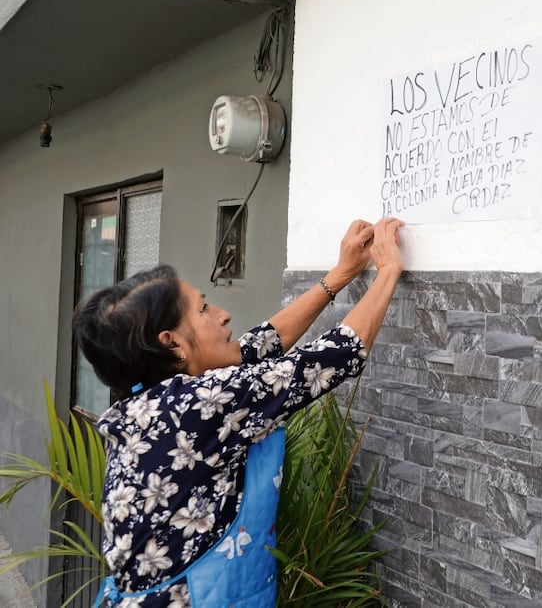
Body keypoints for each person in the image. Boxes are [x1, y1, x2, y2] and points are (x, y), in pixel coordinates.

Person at [73, 217, 405, 607]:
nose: (223, 314)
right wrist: (388, 270)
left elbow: (259, 346)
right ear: (173, 344)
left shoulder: (150, 405)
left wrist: (342, 273)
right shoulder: (194, 408)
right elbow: (338, 353)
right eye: (203, 309)